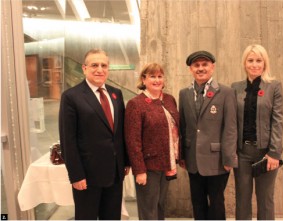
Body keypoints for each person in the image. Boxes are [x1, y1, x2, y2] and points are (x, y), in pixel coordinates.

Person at [59, 49, 130, 220]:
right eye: (94, 65)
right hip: (88, 175)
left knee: (112, 217)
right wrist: (76, 175)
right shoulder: (71, 96)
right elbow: (68, 140)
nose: (100, 69)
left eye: (104, 65)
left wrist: (125, 161)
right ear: (84, 68)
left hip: (114, 172)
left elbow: (120, 132)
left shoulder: (116, 94)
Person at [179, 50, 238, 220]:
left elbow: (230, 127)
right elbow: (183, 127)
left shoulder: (226, 92)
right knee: (197, 202)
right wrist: (182, 155)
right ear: (191, 69)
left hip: (217, 159)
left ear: (212, 67)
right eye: (196, 65)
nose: (200, 68)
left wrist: (229, 158)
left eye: (204, 65)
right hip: (192, 160)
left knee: (217, 202)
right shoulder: (184, 94)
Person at [231, 44, 283, 220]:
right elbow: (231, 123)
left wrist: (274, 153)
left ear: (265, 63)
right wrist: (231, 152)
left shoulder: (274, 86)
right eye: (250, 60)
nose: (254, 64)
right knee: (242, 200)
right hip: (242, 153)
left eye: (258, 60)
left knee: (266, 200)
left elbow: (277, 121)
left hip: (265, 154)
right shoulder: (235, 88)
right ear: (245, 63)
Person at [124, 63, 180, 220]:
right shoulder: (136, 104)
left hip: (168, 162)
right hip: (148, 166)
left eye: (160, 76)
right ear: (144, 79)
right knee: (148, 209)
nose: (157, 80)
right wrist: (139, 170)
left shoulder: (169, 99)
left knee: (161, 206)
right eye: (152, 76)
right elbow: (132, 140)